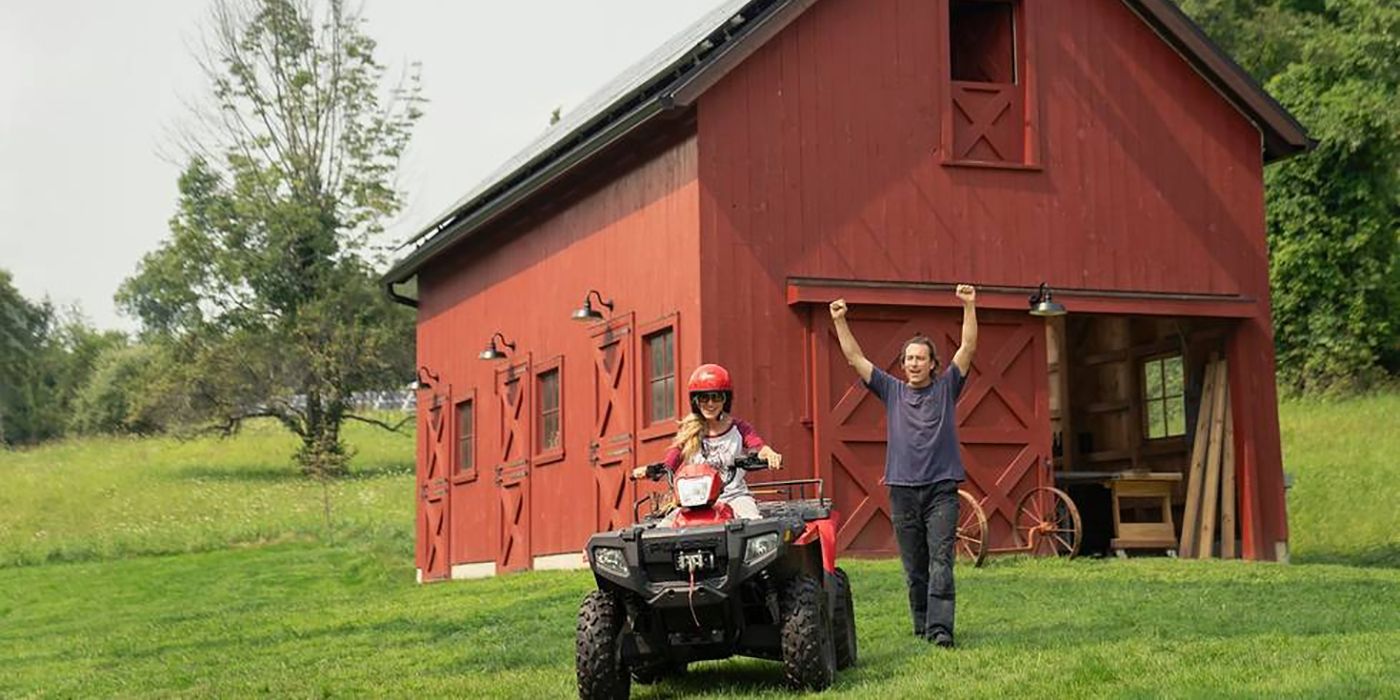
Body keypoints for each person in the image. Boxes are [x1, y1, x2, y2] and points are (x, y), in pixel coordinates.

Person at [828, 285, 978, 648]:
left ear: (931, 364)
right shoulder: (891, 390)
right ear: (903, 363)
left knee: (940, 561)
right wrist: (840, 321)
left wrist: (970, 306)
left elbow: (968, 348)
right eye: (908, 358)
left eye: (920, 358)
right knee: (914, 567)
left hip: (942, 489)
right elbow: (854, 358)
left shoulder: (945, 389)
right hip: (902, 489)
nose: (913, 364)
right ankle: (922, 623)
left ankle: (941, 630)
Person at [632, 363, 782, 520]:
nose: (710, 404)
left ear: (725, 400)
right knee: (663, 530)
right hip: (694, 502)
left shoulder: (738, 428)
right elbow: (670, 462)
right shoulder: (689, 432)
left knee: (753, 523)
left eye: (716, 397)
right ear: (696, 401)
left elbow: (757, 446)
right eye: (704, 398)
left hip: (733, 496)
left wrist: (769, 454)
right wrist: (651, 470)